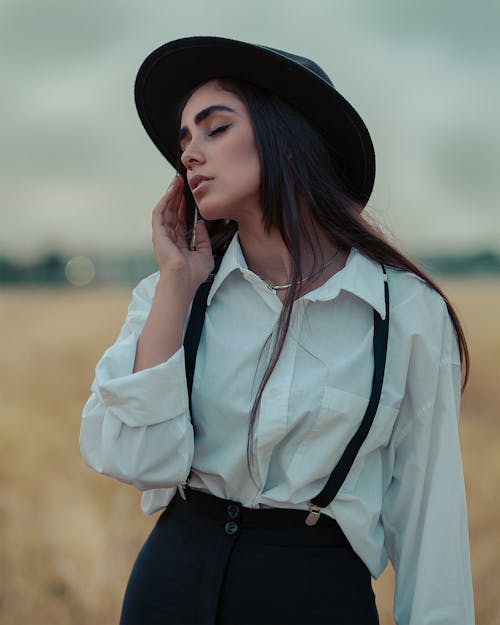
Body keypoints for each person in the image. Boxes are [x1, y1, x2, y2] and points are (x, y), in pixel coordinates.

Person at [80, 36, 475, 625]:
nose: (189, 153)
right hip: (170, 585)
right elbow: (140, 460)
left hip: (315, 594)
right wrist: (176, 283)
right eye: (184, 139)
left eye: (214, 128)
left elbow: (430, 519)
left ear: (286, 138)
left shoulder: (406, 313)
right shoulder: (173, 293)